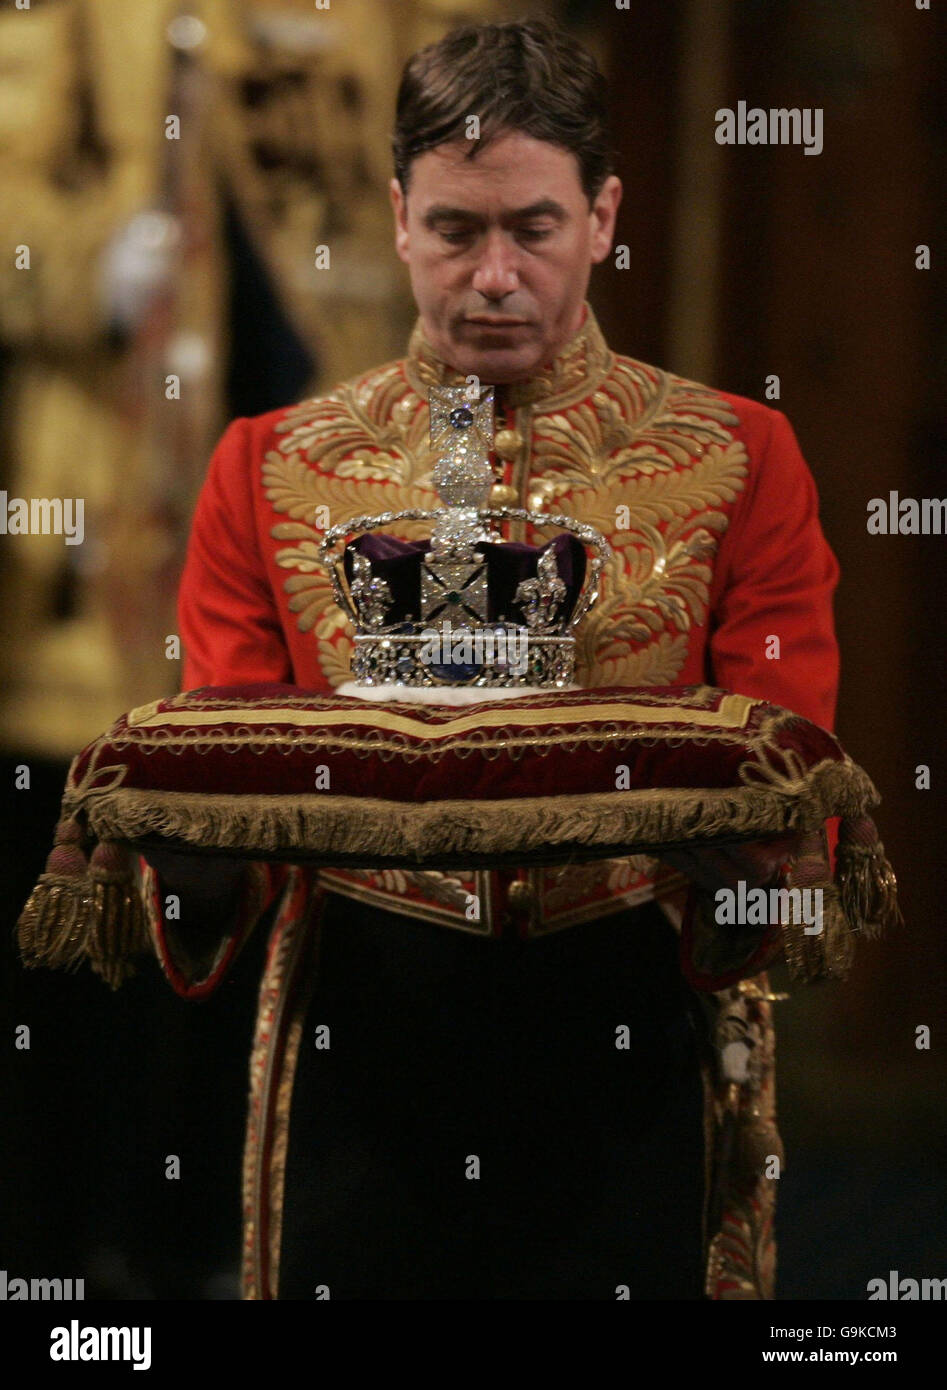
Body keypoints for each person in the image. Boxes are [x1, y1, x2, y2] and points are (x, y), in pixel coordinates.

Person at [159, 19, 840, 1300]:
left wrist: (747, 855)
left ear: (603, 216)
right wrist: (184, 836)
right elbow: (227, 800)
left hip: (634, 1015)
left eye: (531, 229)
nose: (491, 278)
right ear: (399, 215)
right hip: (362, 1029)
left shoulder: (737, 459)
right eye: (456, 231)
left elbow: (788, 785)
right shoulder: (267, 468)